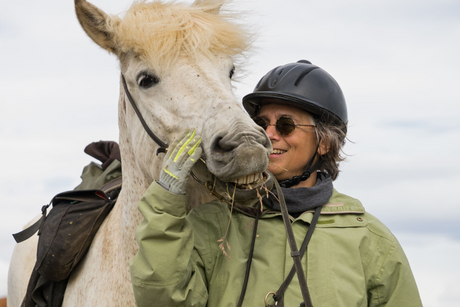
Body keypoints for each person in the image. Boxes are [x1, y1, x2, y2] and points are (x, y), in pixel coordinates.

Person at [130, 60, 422, 306]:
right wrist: (166, 199)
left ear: (324, 141)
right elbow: (162, 299)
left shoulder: (369, 239)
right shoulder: (213, 225)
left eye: (286, 125)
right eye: (260, 123)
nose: (269, 134)